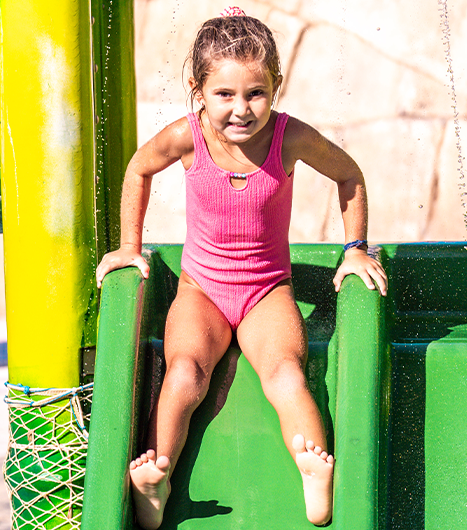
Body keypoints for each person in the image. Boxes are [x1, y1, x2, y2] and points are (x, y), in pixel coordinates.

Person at [95, 7, 388, 529]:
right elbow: (139, 168)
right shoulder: (188, 137)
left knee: (285, 372)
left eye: (255, 93)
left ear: (276, 86)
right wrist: (128, 246)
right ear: (198, 90)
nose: (241, 109)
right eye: (224, 94)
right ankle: (156, 475)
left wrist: (355, 249)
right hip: (201, 290)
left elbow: (349, 174)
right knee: (185, 372)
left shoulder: (289, 138)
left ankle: (312, 466)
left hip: (266, 291)